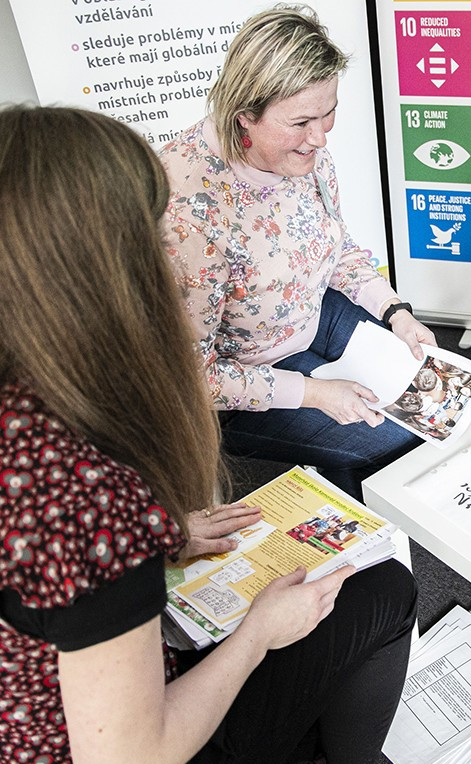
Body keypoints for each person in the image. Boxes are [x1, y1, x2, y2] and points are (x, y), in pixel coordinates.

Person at [0, 106, 416, 764]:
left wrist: (158, 541)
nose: (169, 247)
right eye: (153, 231)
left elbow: (24, 570)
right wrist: (258, 637)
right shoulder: (85, 492)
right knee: (386, 590)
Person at [159, 4, 434, 499]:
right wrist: (314, 394)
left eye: (328, 112)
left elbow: (337, 246)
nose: (321, 137)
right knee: (390, 437)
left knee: (431, 394)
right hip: (243, 374)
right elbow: (192, 376)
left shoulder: (305, 151)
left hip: (311, 312)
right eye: (302, 121)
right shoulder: (189, 215)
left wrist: (394, 311)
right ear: (245, 116)